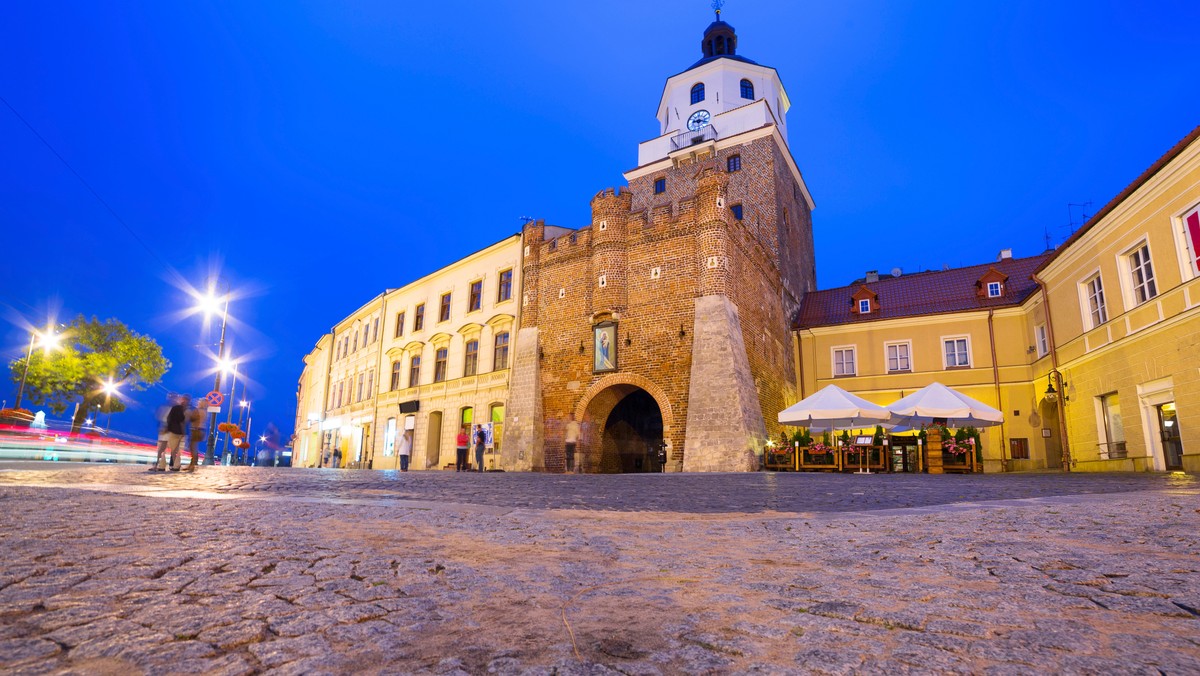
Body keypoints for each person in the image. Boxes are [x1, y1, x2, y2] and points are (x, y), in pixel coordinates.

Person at [151, 393, 177, 471]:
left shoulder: (176, 408)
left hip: (171, 429)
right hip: (163, 428)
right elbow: (157, 416)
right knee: (162, 448)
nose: (171, 399)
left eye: (172, 397)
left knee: (173, 448)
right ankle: (160, 465)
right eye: (170, 397)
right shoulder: (163, 406)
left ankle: (172, 465)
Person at [164, 394, 190, 471]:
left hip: (178, 431)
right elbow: (171, 419)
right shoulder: (182, 409)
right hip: (178, 431)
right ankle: (174, 465)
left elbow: (169, 419)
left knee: (176, 449)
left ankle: (175, 465)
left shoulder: (177, 408)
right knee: (176, 449)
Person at [183, 398, 208, 472]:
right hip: (201, 430)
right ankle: (193, 464)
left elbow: (191, 418)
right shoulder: (205, 411)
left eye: (199, 402)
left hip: (196, 430)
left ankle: (193, 465)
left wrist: (188, 412)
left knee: (193, 448)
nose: (198, 403)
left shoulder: (198, 411)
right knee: (194, 447)